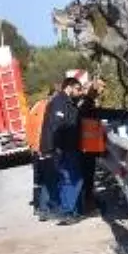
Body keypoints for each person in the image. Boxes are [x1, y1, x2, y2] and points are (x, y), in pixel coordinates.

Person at [40, 76, 85, 224]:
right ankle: (67, 212)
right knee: (72, 179)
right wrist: (54, 148)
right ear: (69, 87)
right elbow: (56, 126)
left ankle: (70, 211)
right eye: (78, 89)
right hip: (64, 148)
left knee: (69, 180)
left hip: (68, 147)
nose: (79, 92)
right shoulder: (59, 102)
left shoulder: (68, 102)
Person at [77, 78, 107, 215]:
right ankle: (89, 207)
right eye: (101, 87)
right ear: (93, 87)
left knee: (88, 178)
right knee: (87, 178)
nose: (103, 90)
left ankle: (90, 202)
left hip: (89, 148)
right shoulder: (86, 103)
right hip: (86, 148)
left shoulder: (86, 103)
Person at [27, 86, 56, 214]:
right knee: (49, 178)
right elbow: (43, 129)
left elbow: (29, 126)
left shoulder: (37, 105)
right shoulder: (48, 108)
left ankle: (39, 206)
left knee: (40, 179)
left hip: (35, 147)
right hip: (42, 147)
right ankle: (44, 208)